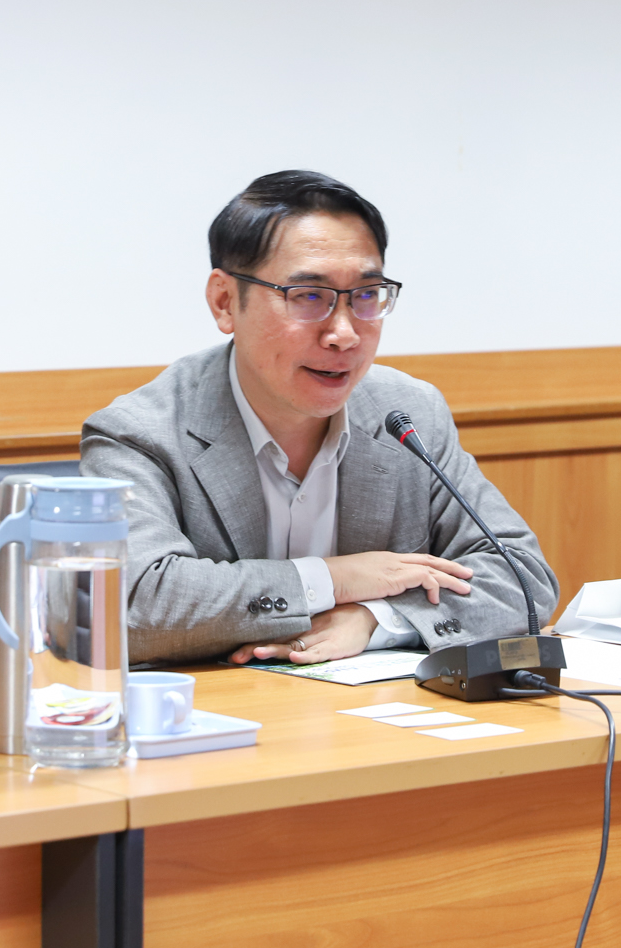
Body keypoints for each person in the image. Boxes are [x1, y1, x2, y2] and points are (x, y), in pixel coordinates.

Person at [82, 170, 557, 665]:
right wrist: (336, 579)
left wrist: (378, 618)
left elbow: (522, 578)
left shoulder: (409, 414)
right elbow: (130, 603)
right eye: (308, 296)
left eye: (367, 295)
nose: (345, 334)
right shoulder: (138, 432)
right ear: (225, 302)